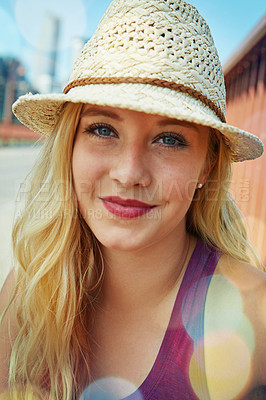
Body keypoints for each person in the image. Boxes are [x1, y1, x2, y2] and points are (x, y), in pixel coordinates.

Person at [0, 0, 265, 399]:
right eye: (103, 129)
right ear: (70, 145)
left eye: (170, 139)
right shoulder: (32, 287)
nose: (129, 173)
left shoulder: (253, 312)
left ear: (207, 168)